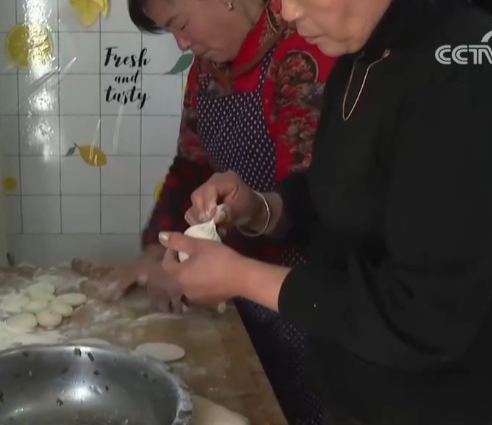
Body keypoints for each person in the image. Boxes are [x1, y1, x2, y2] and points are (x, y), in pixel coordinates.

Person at [156, 0, 492, 424]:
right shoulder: (364, 57)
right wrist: (261, 209)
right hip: (351, 401)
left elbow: (422, 314)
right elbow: (345, 197)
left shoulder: (469, 74)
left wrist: (240, 277)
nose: (288, 14)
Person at [99, 0, 334, 424]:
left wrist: (253, 216)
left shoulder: (304, 53)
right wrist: (159, 248)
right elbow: (190, 166)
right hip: (233, 293)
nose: (181, 43)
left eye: (180, 24)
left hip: (304, 300)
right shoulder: (205, 74)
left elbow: (315, 198)